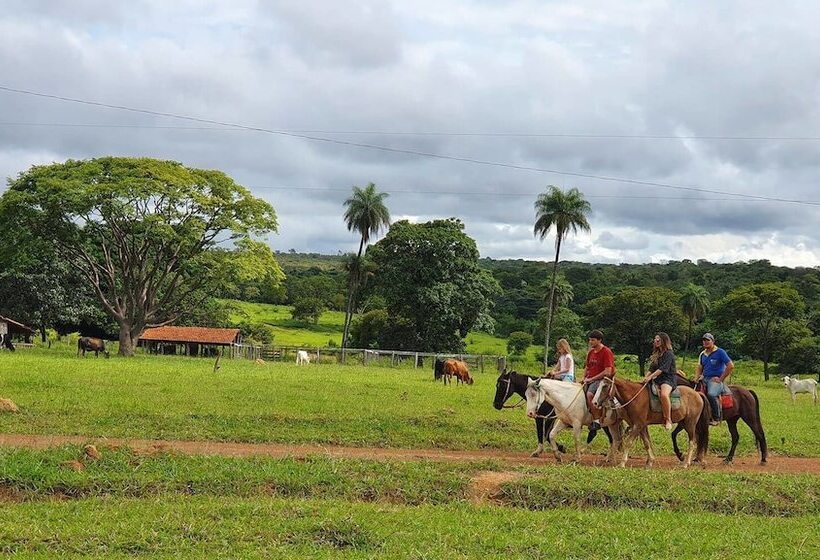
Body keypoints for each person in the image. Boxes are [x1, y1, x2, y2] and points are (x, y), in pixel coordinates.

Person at [694, 332, 734, 425]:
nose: (705, 342)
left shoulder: (720, 352)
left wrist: (721, 379)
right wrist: (696, 377)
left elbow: (730, 365)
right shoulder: (702, 354)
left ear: (713, 341)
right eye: (704, 340)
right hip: (704, 378)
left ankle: (716, 417)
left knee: (711, 394)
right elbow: (699, 367)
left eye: (708, 340)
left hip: (715, 379)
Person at [582, 330, 615, 431]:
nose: (590, 342)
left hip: (602, 380)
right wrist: (584, 378)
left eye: (593, 340)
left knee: (590, 395)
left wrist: (592, 378)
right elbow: (587, 367)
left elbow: (608, 371)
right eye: (590, 340)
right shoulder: (591, 352)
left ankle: (596, 420)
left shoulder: (606, 352)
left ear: (599, 340)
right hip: (589, 379)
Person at [643, 332, 677, 431]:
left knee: (664, 395)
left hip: (668, 378)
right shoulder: (656, 354)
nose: (656, 341)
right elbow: (652, 368)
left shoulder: (669, 353)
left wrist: (651, 377)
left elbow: (663, 369)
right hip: (657, 378)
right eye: (655, 339)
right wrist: (646, 377)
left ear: (664, 341)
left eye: (658, 339)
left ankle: (668, 419)